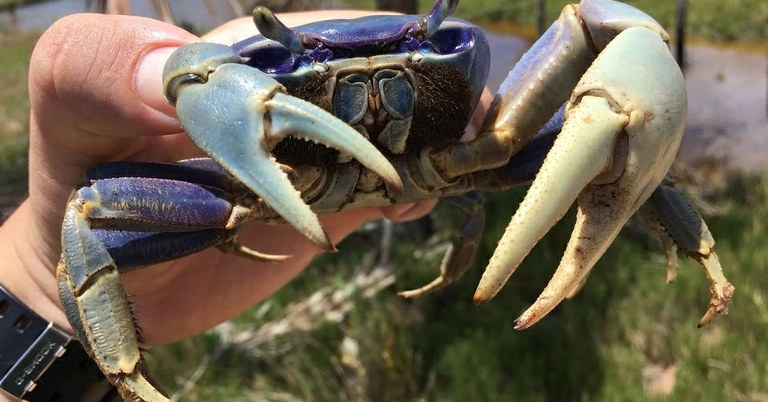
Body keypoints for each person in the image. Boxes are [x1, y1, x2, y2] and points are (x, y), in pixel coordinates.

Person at [0, 9, 489, 401]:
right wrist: (40, 289)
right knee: (91, 211)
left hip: (437, 162)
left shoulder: (482, 146)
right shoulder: (225, 181)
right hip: (253, 180)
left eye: (428, 49)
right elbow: (87, 223)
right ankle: (132, 382)